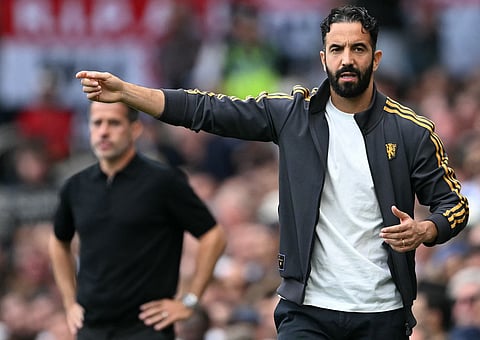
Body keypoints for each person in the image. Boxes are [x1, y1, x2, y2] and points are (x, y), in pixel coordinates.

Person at [75, 5, 469, 339]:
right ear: (323, 58)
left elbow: (454, 205)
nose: (346, 59)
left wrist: (426, 230)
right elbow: (207, 110)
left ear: (375, 58)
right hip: (307, 311)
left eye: (358, 49)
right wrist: (128, 93)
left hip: (382, 312)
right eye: (337, 49)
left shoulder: (412, 130)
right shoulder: (291, 115)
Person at [48, 101, 226, 340]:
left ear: (135, 129)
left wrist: (189, 300)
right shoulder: (76, 186)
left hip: (146, 328)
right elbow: (59, 241)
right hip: (91, 327)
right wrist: (70, 302)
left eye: (114, 123)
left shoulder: (163, 182)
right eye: (97, 123)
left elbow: (213, 236)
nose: (103, 131)